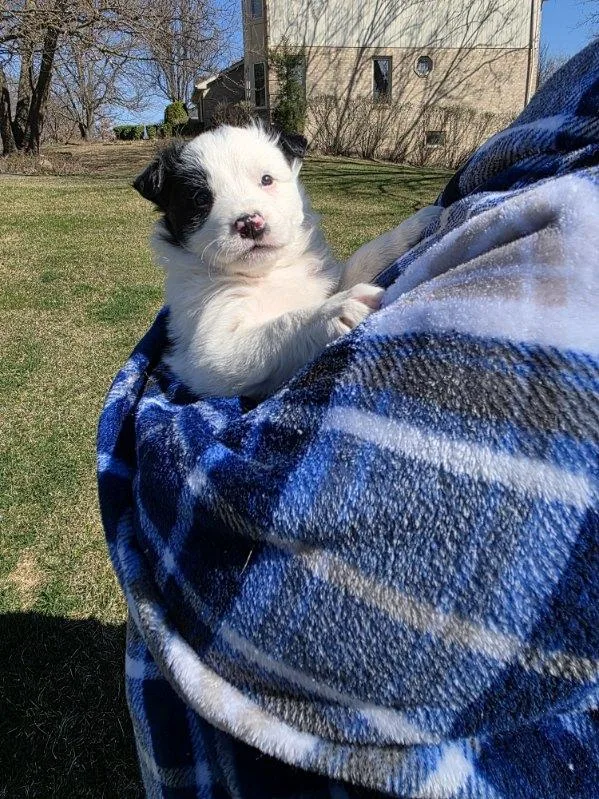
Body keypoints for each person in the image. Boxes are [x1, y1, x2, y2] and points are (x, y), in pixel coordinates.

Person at [98, 42, 599, 798]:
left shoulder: (308, 256)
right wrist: (313, 323)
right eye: (205, 202)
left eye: (266, 180)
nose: (248, 211)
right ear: (170, 215)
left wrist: (387, 261)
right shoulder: (206, 294)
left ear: (292, 176)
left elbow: (345, 289)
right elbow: (217, 365)